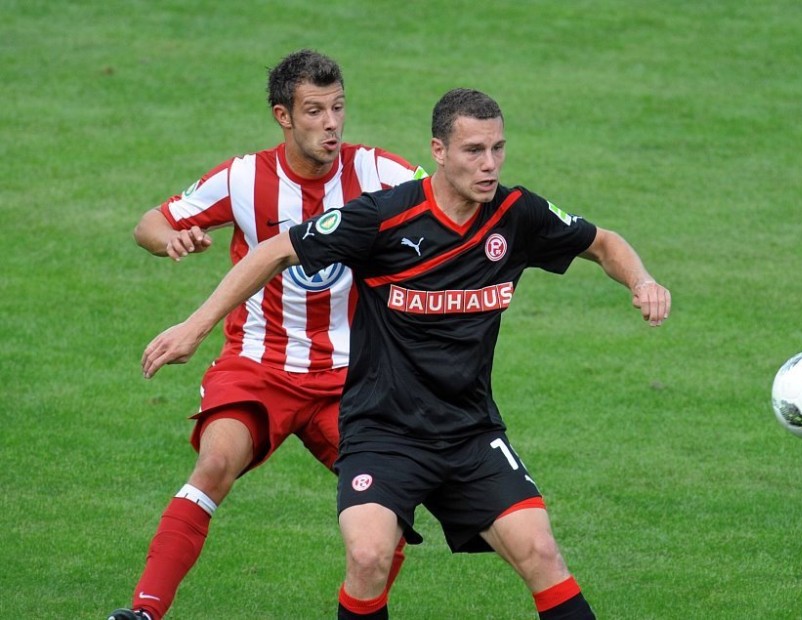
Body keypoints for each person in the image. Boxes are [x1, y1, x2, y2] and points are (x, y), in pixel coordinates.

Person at [141, 87, 671, 619]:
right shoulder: (383, 217)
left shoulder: (515, 214)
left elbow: (603, 243)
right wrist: (195, 326)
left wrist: (640, 280)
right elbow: (278, 249)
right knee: (368, 555)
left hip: (469, 431)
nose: (489, 166)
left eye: (497, 149)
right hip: (383, 433)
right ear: (438, 152)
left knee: (541, 551)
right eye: (473, 151)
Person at [108, 50, 425, 620]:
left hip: (352, 380)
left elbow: (446, 200)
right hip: (260, 366)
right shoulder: (244, 177)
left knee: (390, 510)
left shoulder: (378, 172)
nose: (331, 123)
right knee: (213, 466)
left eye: (338, 108)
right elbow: (150, 223)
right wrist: (171, 241)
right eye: (314, 111)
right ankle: (143, 612)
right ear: (283, 116)